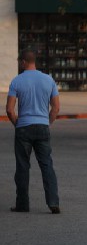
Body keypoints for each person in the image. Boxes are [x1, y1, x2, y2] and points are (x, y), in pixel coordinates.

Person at [6, 49, 60, 214]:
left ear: (23, 62)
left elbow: (9, 109)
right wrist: (47, 122)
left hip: (24, 128)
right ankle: (53, 202)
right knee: (47, 166)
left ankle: (23, 204)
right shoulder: (48, 80)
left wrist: (18, 124)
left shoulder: (17, 81)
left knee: (22, 166)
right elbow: (56, 107)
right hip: (42, 126)